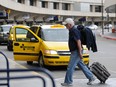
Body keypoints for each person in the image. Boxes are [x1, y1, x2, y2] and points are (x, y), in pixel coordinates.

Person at [61, 18, 95, 86]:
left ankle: (68, 82)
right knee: (81, 65)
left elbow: (78, 41)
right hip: (76, 51)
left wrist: (79, 52)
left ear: (70, 25)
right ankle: (91, 77)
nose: (65, 26)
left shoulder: (74, 30)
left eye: (66, 25)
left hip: (76, 51)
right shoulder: (72, 30)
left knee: (70, 67)